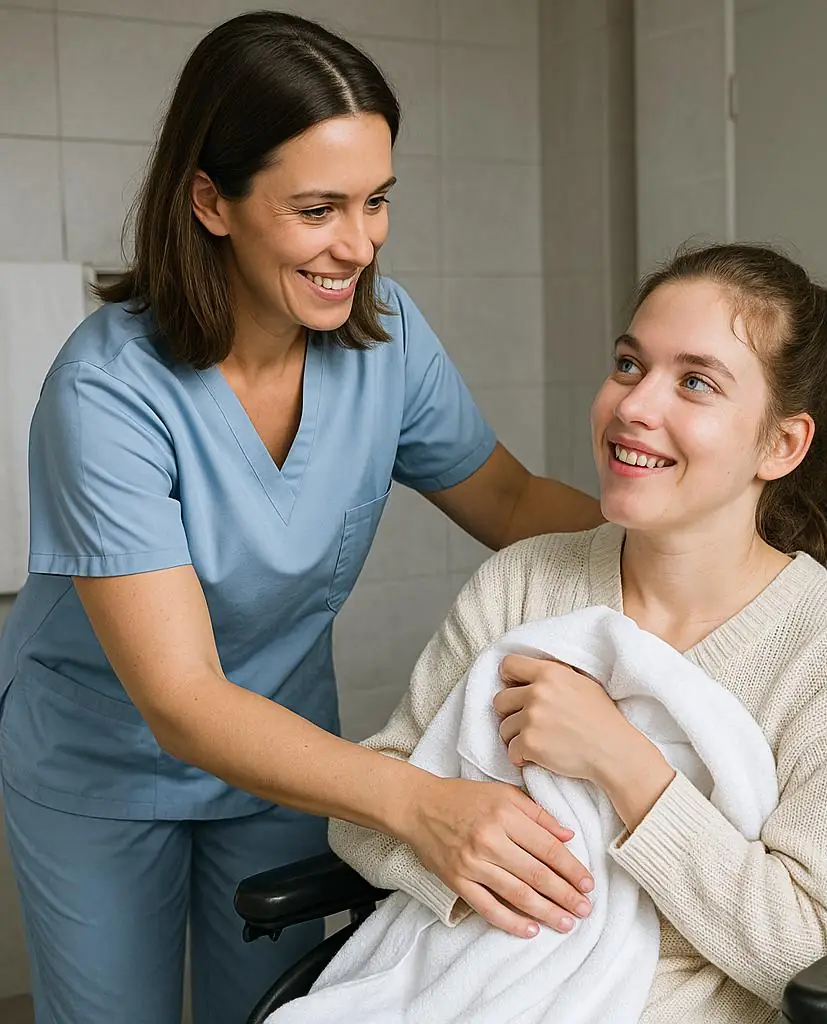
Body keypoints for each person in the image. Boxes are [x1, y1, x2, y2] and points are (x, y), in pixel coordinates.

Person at [0, 12, 603, 1024]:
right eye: (318, 208)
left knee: (273, 1011)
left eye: (376, 201)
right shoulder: (107, 393)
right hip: (103, 761)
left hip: (284, 755)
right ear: (211, 200)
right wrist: (419, 804)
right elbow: (183, 698)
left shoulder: (386, 340)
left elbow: (507, 500)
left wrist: (693, 550)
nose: (357, 245)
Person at [327, 243, 827, 1022]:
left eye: (696, 382)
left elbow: (810, 955)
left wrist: (622, 763)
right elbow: (364, 809)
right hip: (466, 984)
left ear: (781, 444)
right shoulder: (524, 582)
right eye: (630, 365)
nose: (634, 407)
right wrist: (467, 866)